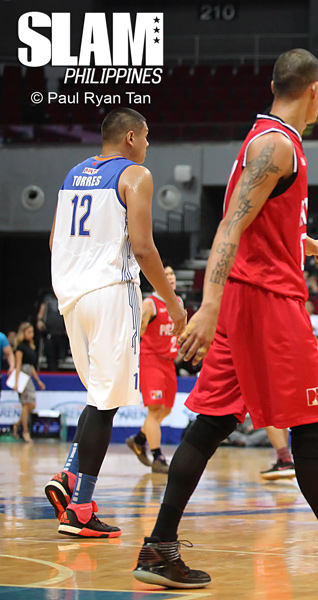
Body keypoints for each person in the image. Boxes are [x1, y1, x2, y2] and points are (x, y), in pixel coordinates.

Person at [131, 50, 318, 591]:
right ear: (316, 90)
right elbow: (229, 228)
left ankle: (159, 548)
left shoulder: (269, 137)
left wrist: (307, 246)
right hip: (262, 303)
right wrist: (210, 305)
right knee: (311, 427)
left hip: (252, 296)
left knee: (212, 421)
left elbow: (262, 226)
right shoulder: (276, 145)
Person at [44, 107, 186, 539]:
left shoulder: (73, 174)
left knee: (98, 395)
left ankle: (68, 477)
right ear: (128, 137)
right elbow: (143, 248)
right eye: (145, 136)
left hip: (70, 295)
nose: (147, 145)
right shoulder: (135, 176)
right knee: (107, 403)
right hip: (110, 292)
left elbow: (54, 240)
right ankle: (81, 509)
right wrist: (173, 301)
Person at [126, 265, 183, 474]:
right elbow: (137, 332)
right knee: (155, 409)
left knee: (166, 409)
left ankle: (139, 439)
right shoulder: (150, 304)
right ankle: (158, 457)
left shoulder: (178, 302)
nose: (170, 277)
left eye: (172, 274)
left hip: (169, 361)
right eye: (166, 274)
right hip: (151, 359)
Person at [13, 322, 46, 443]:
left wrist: (38, 381)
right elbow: (18, 365)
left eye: (32, 332)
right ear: (23, 333)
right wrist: (17, 383)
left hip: (29, 376)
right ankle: (25, 431)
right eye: (29, 332)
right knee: (26, 404)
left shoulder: (31, 346)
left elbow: (31, 367)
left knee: (31, 405)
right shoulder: (20, 347)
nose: (31, 334)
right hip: (22, 376)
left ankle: (16, 425)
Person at [37, 292, 70, 371]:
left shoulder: (66, 296)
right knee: (51, 356)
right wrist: (39, 320)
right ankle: (53, 372)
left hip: (64, 333)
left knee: (63, 355)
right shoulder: (48, 298)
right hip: (50, 333)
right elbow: (42, 311)